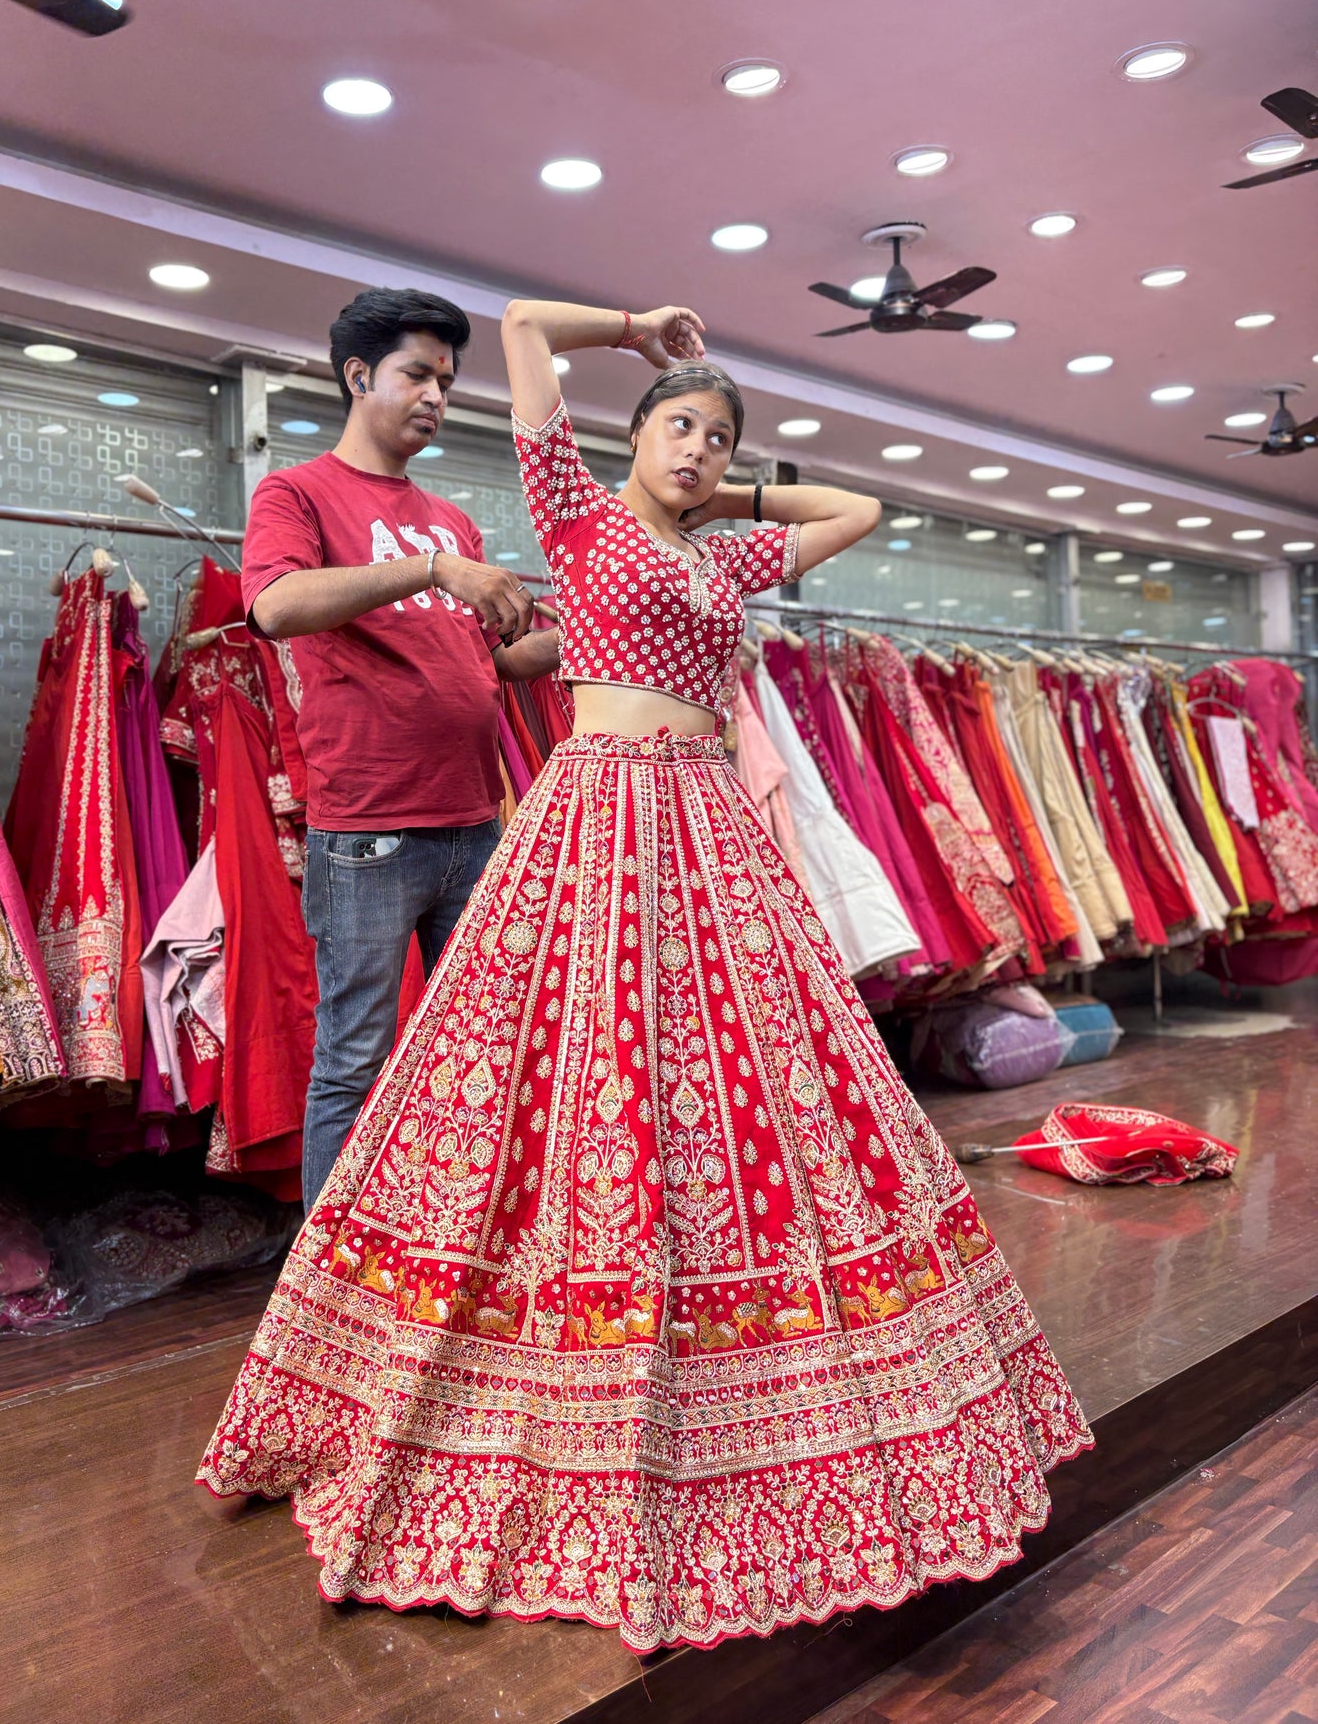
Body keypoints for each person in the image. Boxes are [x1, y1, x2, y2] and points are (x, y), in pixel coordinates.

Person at [200, 300, 1091, 1652]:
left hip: (704, 814)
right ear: (630, 438)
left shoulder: (727, 558)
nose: (696, 447)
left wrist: (715, 471)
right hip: (589, 809)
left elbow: (853, 507)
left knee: (737, 1073)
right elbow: (516, 329)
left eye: (718, 436)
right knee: (511, 1068)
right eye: (679, 426)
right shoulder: (569, 511)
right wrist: (635, 342)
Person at [241, 286, 558, 1209]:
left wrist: (569, 645)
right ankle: (329, 1284)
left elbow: (484, 665)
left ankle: (449, 1247)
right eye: (417, 373)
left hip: (473, 820)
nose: (435, 395)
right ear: (357, 375)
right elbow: (273, 606)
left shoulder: (452, 519)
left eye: (448, 382)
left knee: (482, 1051)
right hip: (370, 833)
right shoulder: (294, 491)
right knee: (353, 1058)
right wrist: (430, 567)